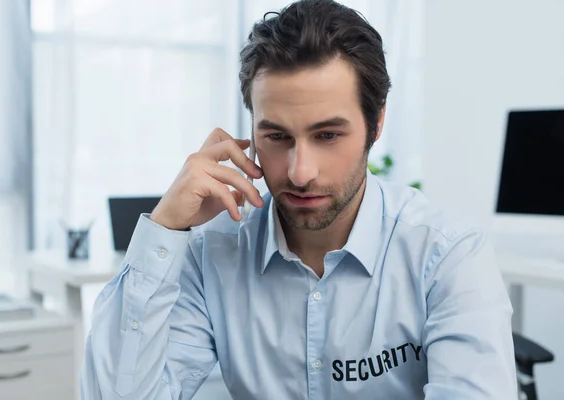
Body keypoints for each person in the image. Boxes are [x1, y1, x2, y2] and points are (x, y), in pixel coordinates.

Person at [80, 0, 518, 398]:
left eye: (328, 135)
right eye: (276, 136)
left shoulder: (447, 256)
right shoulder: (211, 254)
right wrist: (164, 230)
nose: (299, 171)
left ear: (377, 123)